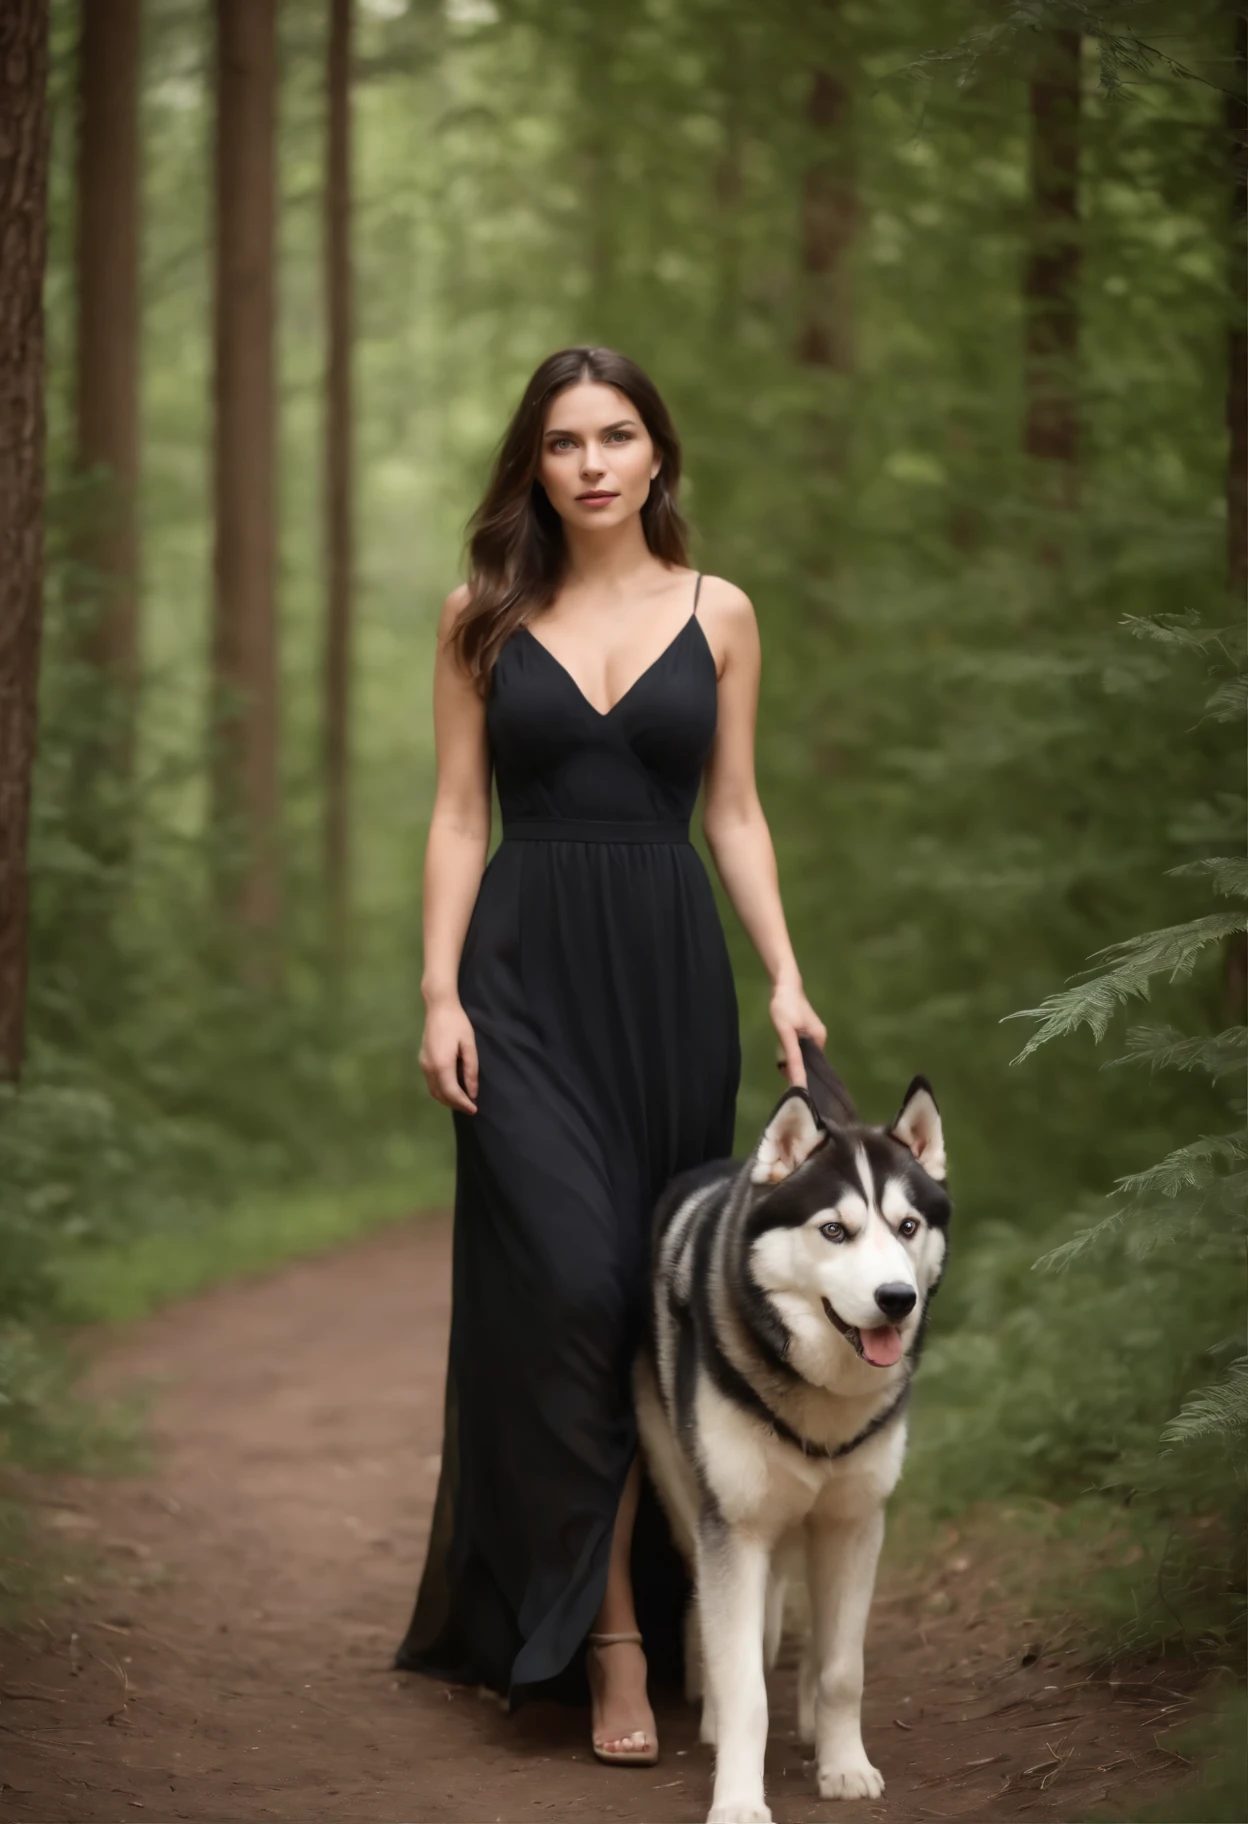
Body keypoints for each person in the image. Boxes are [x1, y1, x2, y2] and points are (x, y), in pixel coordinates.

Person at [394, 346, 827, 1767]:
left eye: (617, 436)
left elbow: (738, 814)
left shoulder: (723, 614)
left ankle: (658, 1600)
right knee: (575, 1284)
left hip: (665, 977)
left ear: (657, 457)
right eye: (564, 440)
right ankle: (609, 1642)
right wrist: (439, 989)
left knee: (648, 1302)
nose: (590, 462)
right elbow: (462, 815)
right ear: (535, 463)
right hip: (518, 979)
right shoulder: (481, 618)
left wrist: (783, 975)